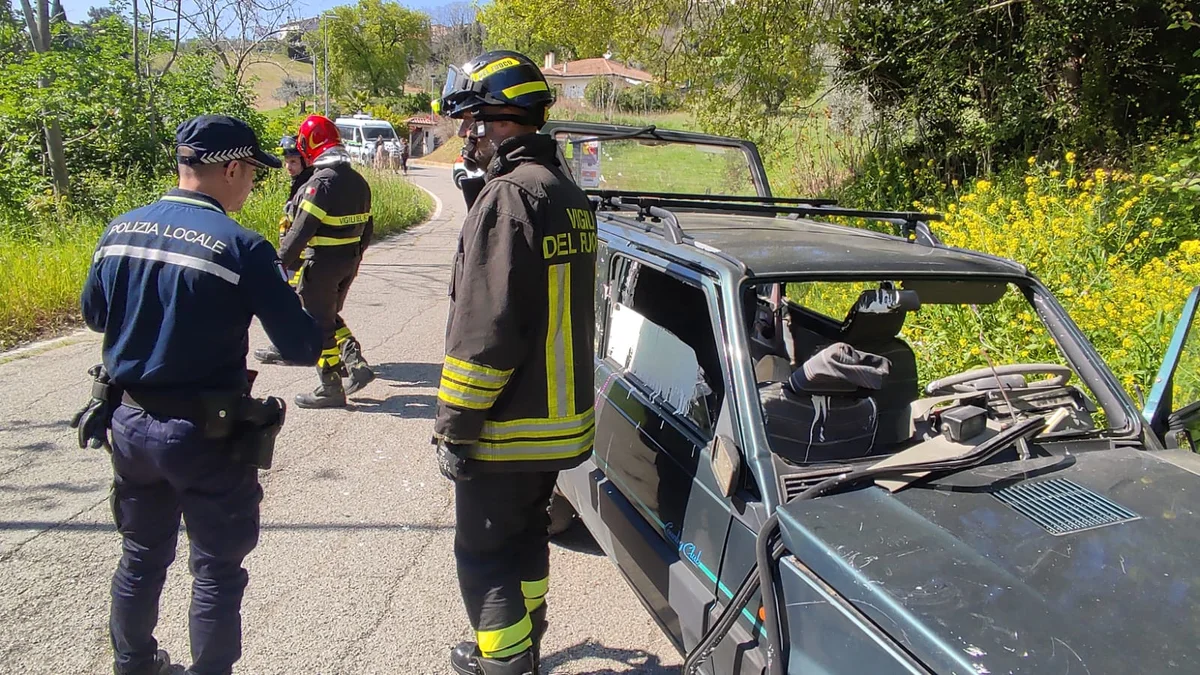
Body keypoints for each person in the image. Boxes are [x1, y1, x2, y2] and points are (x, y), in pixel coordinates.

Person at [76, 114, 322, 675]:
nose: (254, 184)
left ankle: (134, 664)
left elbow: (94, 315)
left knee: (140, 557)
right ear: (230, 167)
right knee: (216, 570)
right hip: (205, 434)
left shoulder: (119, 228)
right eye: (252, 174)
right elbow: (302, 346)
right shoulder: (243, 247)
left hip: (130, 422)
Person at [431, 50, 597, 675]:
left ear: (498, 121)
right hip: (557, 425)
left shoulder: (508, 198)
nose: (465, 135)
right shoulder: (564, 194)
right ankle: (528, 642)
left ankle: (500, 662)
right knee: (527, 538)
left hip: (504, 428)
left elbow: (485, 333)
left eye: (470, 120)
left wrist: (455, 425)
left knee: (485, 557)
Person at [277, 114, 376, 408]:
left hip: (321, 265)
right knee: (328, 316)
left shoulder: (320, 183)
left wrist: (277, 266)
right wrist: (354, 261)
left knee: (317, 324)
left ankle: (330, 386)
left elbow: (300, 230)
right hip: (348, 262)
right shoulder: (359, 181)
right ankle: (355, 363)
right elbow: (367, 230)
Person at [253, 135, 314, 366]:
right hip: (294, 252)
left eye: (294, 162)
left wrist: (283, 257)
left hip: (298, 255)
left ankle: (288, 347)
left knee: (289, 300)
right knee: (296, 302)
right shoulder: (300, 183)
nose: (288, 167)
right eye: (287, 162)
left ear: (305, 162)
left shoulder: (308, 185)